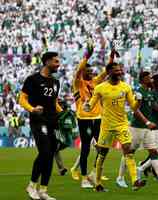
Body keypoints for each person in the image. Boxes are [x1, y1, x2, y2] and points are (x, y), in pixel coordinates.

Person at [84, 62, 146, 192]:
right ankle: (98, 183)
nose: (120, 72)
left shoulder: (126, 87)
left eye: (120, 70)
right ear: (109, 72)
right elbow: (91, 103)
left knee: (128, 149)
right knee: (102, 154)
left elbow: (134, 107)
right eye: (116, 70)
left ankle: (135, 180)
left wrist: (138, 101)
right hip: (106, 126)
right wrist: (87, 106)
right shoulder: (100, 88)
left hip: (122, 124)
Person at [116, 71, 158, 188]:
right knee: (130, 153)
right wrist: (147, 122)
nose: (151, 80)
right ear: (143, 80)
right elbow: (136, 110)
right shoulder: (138, 92)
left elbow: (154, 108)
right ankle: (120, 177)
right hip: (137, 127)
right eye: (149, 78)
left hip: (148, 128)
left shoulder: (149, 93)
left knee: (154, 152)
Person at [19, 51, 62, 200]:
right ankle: (31, 186)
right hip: (38, 121)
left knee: (49, 155)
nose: (58, 64)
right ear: (47, 62)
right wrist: (32, 109)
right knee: (45, 152)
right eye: (56, 61)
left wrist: (63, 114)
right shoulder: (32, 79)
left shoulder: (56, 82)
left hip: (53, 122)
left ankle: (43, 190)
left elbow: (54, 102)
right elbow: (22, 99)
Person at [70, 40, 109, 188]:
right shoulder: (78, 83)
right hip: (84, 119)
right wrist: (87, 56)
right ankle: (84, 178)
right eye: (89, 70)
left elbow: (106, 72)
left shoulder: (95, 82)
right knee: (85, 148)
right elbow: (78, 71)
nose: (92, 72)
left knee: (103, 147)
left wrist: (111, 58)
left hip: (98, 119)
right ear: (83, 72)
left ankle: (95, 173)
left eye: (92, 71)